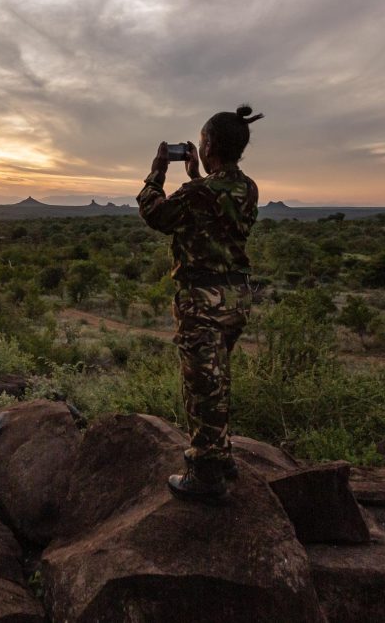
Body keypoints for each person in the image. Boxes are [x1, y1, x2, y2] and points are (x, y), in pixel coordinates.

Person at [137, 105, 262, 503]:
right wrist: (196, 176)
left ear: (208, 146)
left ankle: (207, 473)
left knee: (203, 387)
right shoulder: (248, 188)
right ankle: (221, 456)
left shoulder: (198, 193)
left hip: (202, 303)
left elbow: (155, 213)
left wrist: (157, 171)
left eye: (203, 140)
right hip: (236, 299)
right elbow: (216, 209)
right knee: (218, 379)